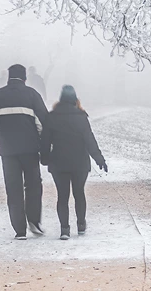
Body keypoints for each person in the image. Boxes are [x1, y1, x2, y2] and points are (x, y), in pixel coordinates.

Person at [0, 64, 49, 240]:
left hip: (8, 151)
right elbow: (43, 122)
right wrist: (38, 139)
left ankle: (19, 230)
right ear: (25, 78)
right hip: (30, 149)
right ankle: (34, 221)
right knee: (34, 185)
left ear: (8, 77)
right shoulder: (32, 95)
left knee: (13, 188)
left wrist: (4, 138)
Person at [40, 85, 108, 240]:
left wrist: (44, 158)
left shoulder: (52, 116)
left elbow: (45, 141)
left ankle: (64, 229)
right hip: (80, 162)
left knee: (62, 196)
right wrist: (99, 159)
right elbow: (90, 141)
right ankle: (81, 224)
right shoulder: (81, 116)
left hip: (58, 162)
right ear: (75, 99)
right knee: (79, 193)